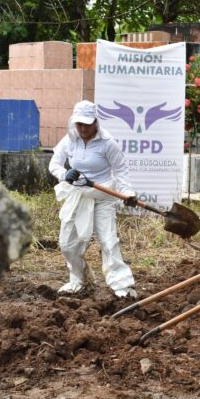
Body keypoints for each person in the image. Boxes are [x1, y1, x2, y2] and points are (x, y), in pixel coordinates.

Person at [48, 100, 138, 299]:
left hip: (103, 197)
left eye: (87, 124)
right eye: (79, 124)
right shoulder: (70, 139)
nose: (83, 129)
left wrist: (128, 193)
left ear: (95, 122)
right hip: (78, 196)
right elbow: (54, 164)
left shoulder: (107, 142)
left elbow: (121, 170)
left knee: (108, 241)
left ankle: (122, 286)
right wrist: (64, 174)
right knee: (67, 243)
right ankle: (79, 280)